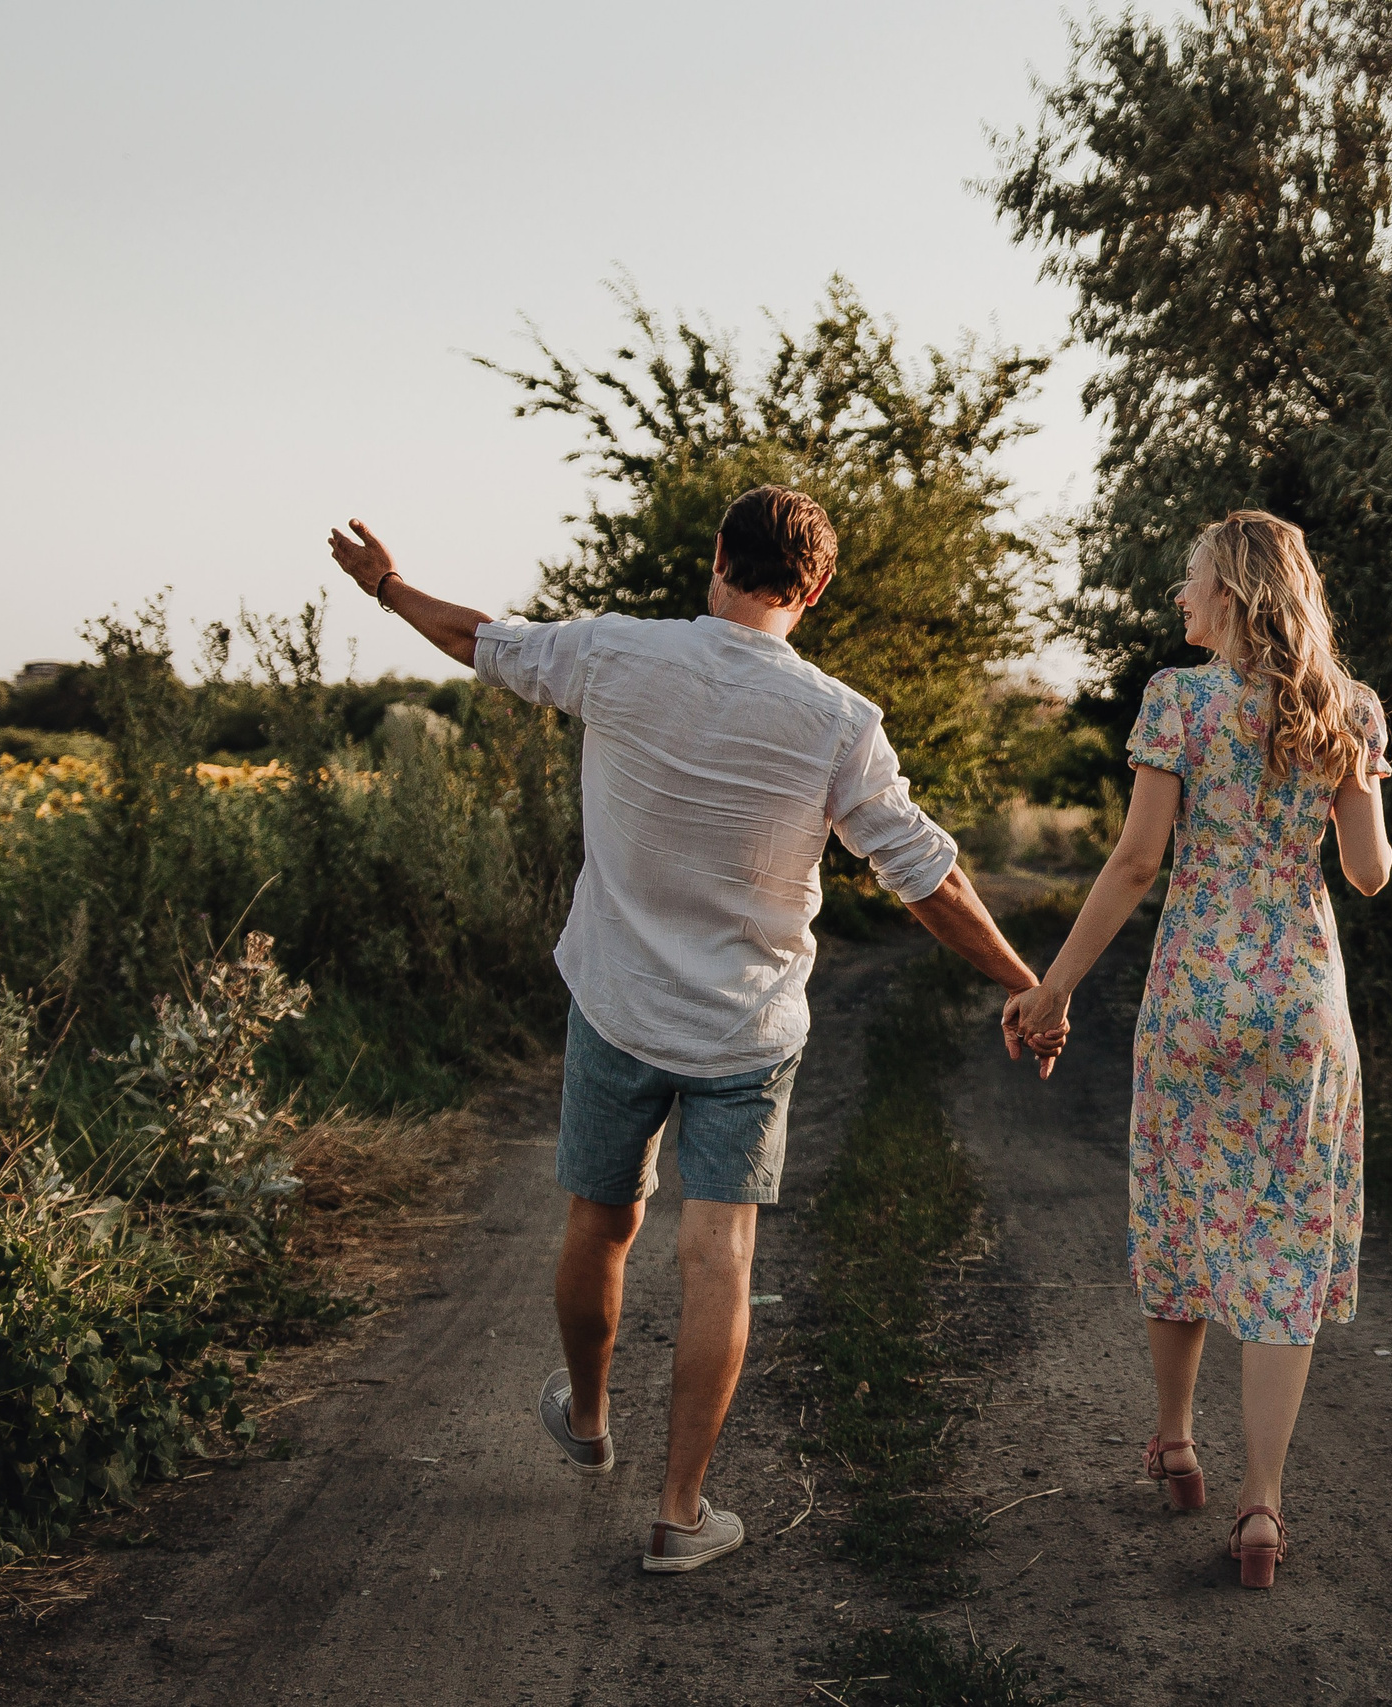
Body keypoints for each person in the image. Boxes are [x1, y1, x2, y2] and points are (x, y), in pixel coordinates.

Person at [326, 487, 1062, 1575]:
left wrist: (384, 586)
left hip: (616, 1004)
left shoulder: (617, 656)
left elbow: (474, 639)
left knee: (602, 1217)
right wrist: (1023, 981)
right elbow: (927, 880)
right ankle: (679, 1512)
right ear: (810, 590)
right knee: (719, 1250)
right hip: (747, 1030)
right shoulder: (839, 722)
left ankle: (585, 1418)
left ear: (716, 556)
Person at [1008, 510, 1391, 1589]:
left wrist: (1053, 990)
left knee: (1182, 1208)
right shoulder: (1346, 710)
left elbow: (1136, 864)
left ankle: (1176, 1443)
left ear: (1227, 593)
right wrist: (1362, 778)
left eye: (1189, 584)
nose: (1178, 601)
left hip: (1193, 996)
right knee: (1280, 1247)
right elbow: (1366, 875)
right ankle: (1261, 1510)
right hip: (1302, 1004)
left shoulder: (1177, 700)